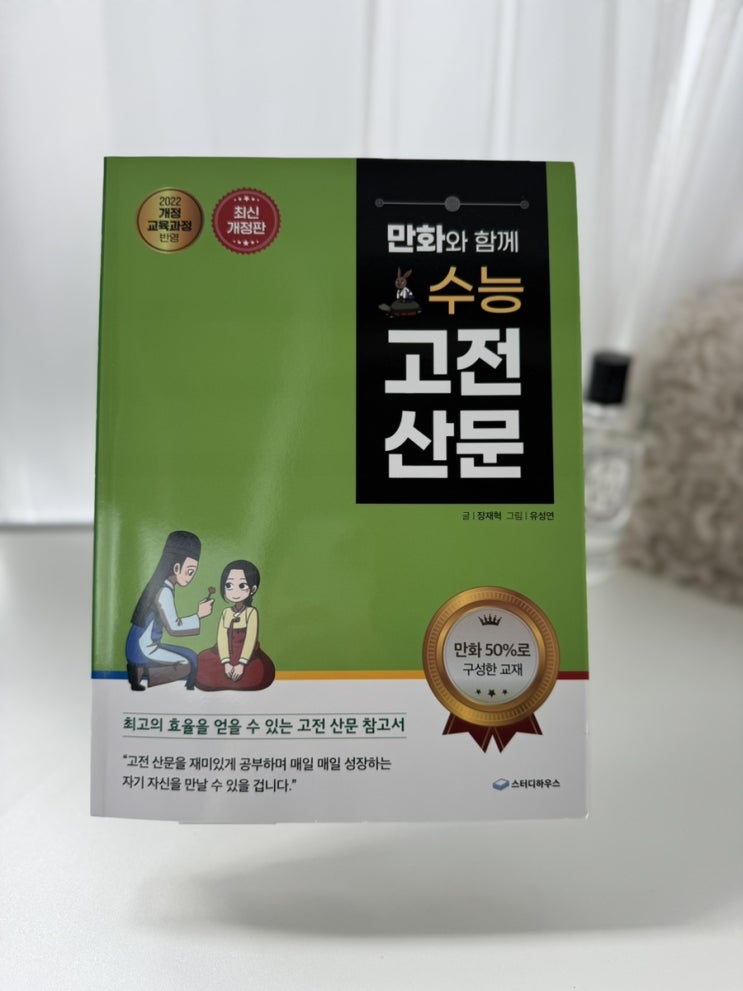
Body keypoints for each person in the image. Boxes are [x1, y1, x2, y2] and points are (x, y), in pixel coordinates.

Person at [125, 530, 214, 691]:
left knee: (191, 655)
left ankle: (139, 672)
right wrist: (199, 615)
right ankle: (145, 673)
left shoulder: (160, 586)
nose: (191, 577)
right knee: (187, 663)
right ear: (177, 567)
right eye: (190, 571)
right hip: (144, 648)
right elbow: (174, 628)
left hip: (140, 645)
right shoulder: (164, 591)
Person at [195, 559, 275, 691]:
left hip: (247, 655)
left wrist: (241, 664)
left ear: (253, 589)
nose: (235, 591)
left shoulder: (251, 612)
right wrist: (226, 662)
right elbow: (221, 638)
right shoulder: (226, 612)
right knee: (200, 663)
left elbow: (250, 639)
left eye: (242, 586)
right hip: (225, 653)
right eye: (229, 585)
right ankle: (225, 677)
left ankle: (233, 678)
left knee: (261, 671)